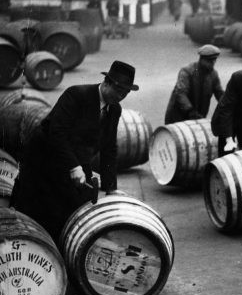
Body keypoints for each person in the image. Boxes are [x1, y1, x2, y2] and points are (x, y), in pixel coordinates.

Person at [10, 61, 139, 243]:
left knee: (79, 206)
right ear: (107, 83)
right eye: (118, 91)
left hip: (75, 159)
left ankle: (63, 250)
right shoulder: (77, 95)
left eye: (125, 94)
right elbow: (57, 133)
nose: (120, 97)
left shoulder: (114, 109)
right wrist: (73, 167)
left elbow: (109, 148)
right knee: (38, 210)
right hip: (44, 159)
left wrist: (111, 188)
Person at [164, 44, 224, 124]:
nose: (212, 64)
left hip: (197, 117)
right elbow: (181, 93)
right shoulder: (187, 71)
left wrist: (229, 106)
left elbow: (220, 94)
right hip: (178, 117)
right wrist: (190, 111)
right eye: (209, 61)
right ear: (201, 59)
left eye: (214, 60)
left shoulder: (213, 75)